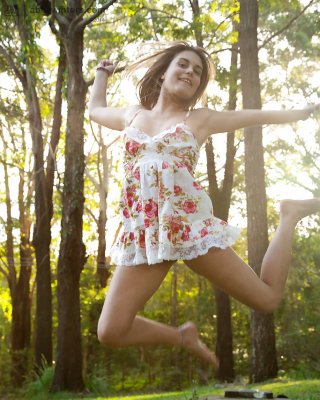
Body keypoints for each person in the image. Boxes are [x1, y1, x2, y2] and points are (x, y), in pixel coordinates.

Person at [88, 41, 320, 367]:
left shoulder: (200, 120)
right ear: (163, 73)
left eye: (197, 71)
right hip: (147, 236)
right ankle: (182, 337)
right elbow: (95, 110)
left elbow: (258, 115)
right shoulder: (132, 116)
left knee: (267, 299)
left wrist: (301, 111)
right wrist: (101, 74)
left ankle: (289, 214)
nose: (190, 73)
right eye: (183, 65)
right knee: (110, 332)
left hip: (190, 229)